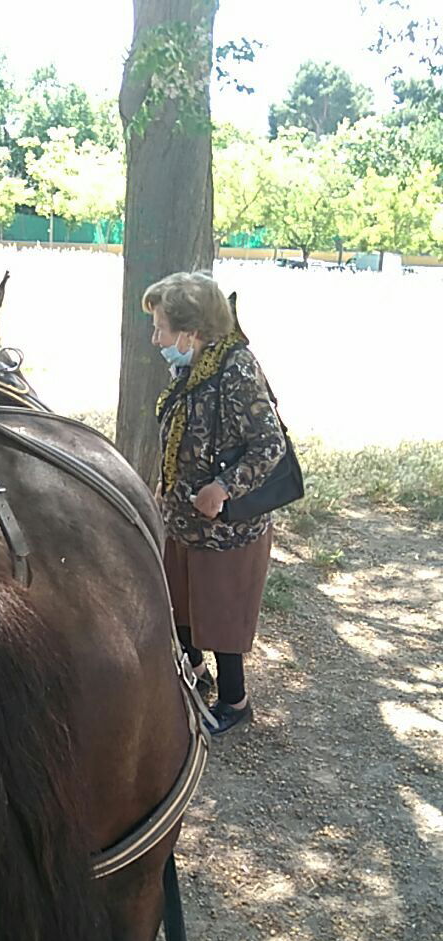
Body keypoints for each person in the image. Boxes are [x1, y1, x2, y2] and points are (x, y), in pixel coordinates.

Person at [143, 271, 285, 738]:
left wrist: (223, 487)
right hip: (184, 520)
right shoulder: (190, 366)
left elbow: (269, 446)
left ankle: (234, 701)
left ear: (192, 331)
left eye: (161, 327)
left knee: (221, 616)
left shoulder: (237, 369)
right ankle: (193, 672)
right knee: (181, 604)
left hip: (226, 527)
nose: (156, 338)